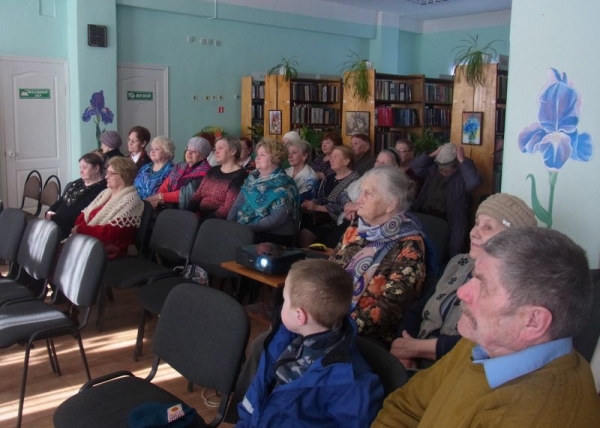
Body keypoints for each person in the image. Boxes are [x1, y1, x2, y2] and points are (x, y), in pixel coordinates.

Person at [373, 227, 600, 427]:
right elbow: (406, 406)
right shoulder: (483, 344)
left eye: (484, 285)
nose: (462, 292)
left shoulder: (539, 417)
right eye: (473, 277)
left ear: (533, 322)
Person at [391, 193, 538, 370]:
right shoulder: (459, 263)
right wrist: (404, 348)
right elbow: (418, 309)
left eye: (488, 228)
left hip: (459, 369)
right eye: (476, 223)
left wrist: (417, 349)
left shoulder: (513, 287)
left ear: (512, 242)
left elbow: (488, 344)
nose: (473, 232)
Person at [236, 259, 384, 427]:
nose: (282, 306)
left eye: (285, 301)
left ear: (300, 316)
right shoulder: (281, 341)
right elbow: (256, 397)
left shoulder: (351, 384)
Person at [330, 166, 426, 346]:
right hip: (330, 316)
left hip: (364, 338)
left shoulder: (409, 244)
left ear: (391, 204)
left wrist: (334, 325)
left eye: (368, 194)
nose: (359, 199)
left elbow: (390, 309)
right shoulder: (356, 229)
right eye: (361, 192)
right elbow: (330, 269)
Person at [411, 142, 482, 257]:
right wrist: (434, 153)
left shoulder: (462, 174)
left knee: (452, 250)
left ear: (457, 165)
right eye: (441, 169)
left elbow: (474, 183)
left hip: (453, 220)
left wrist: (461, 159)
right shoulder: (433, 170)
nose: (443, 172)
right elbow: (415, 166)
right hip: (427, 214)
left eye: (447, 170)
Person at [228, 140, 299, 246]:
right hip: (246, 228)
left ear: (275, 159)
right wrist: (230, 223)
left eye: (263, 154)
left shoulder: (285, 185)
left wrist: (244, 228)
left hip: (274, 235)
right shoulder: (252, 178)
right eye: (257, 154)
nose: (257, 158)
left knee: (235, 243)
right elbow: (237, 205)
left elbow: (274, 220)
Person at [72, 157, 143, 260]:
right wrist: (79, 228)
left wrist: (81, 229)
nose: (106, 177)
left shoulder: (131, 200)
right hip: (90, 240)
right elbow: (85, 214)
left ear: (124, 176)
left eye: (111, 173)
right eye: (107, 172)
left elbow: (111, 232)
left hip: (109, 249)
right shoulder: (106, 193)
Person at [298, 145, 359, 248]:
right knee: (302, 232)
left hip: (340, 223)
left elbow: (344, 206)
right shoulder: (329, 177)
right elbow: (320, 198)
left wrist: (316, 207)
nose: (331, 159)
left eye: (335, 157)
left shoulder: (355, 181)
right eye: (331, 157)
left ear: (346, 161)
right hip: (321, 220)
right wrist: (311, 203)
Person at [45, 152, 107, 240]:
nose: (81, 171)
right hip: (57, 220)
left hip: (69, 227)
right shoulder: (78, 182)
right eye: (80, 167)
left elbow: (78, 212)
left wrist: (54, 217)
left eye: (84, 167)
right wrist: (50, 211)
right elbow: (62, 200)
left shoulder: (100, 189)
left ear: (96, 168)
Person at [187, 136, 247, 219]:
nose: (216, 152)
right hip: (198, 217)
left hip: (215, 222)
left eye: (220, 148)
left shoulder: (240, 176)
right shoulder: (213, 171)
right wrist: (188, 214)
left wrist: (202, 222)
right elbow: (198, 194)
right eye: (215, 149)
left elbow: (227, 208)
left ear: (233, 151)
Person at [146, 136, 212, 209]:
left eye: (194, 151)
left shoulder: (206, 172)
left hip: (187, 212)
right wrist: (159, 199)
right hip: (168, 206)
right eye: (188, 149)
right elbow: (166, 185)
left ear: (203, 156)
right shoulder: (179, 166)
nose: (189, 153)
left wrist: (160, 197)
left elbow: (185, 194)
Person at [134, 135, 175, 200]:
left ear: (167, 152)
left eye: (157, 149)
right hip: (136, 203)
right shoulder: (146, 167)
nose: (152, 151)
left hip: (156, 207)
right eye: (151, 149)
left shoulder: (172, 170)